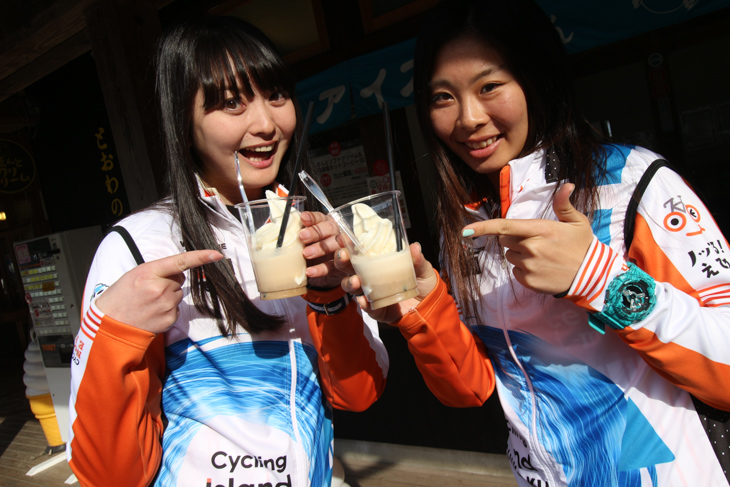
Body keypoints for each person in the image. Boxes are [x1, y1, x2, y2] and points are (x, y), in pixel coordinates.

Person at [336, 0, 730, 485]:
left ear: (536, 77)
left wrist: (601, 279)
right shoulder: (464, 221)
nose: (469, 118)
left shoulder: (633, 181)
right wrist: (424, 309)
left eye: (489, 86)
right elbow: (472, 390)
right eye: (442, 97)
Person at [67, 16, 388, 487]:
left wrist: (329, 297)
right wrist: (115, 331)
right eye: (232, 103)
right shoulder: (138, 246)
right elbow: (110, 475)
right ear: (183, 122)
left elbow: (358, 395)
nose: (267, 124)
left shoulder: (317, 232)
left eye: (276, 95)